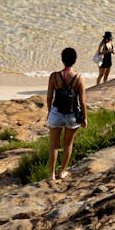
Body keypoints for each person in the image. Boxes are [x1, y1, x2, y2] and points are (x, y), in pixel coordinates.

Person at [47, 47, 87, 180]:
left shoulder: (54, 76)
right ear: (75, 61)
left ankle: (51, 175)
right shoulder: (79, 78)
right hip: (72, 115)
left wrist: (50, 112)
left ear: (62, 60)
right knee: (67, 144)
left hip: (56, 112)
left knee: (54, 145)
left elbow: (49, 97)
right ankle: (62, 172)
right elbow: (82, 101)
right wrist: (84, 118)